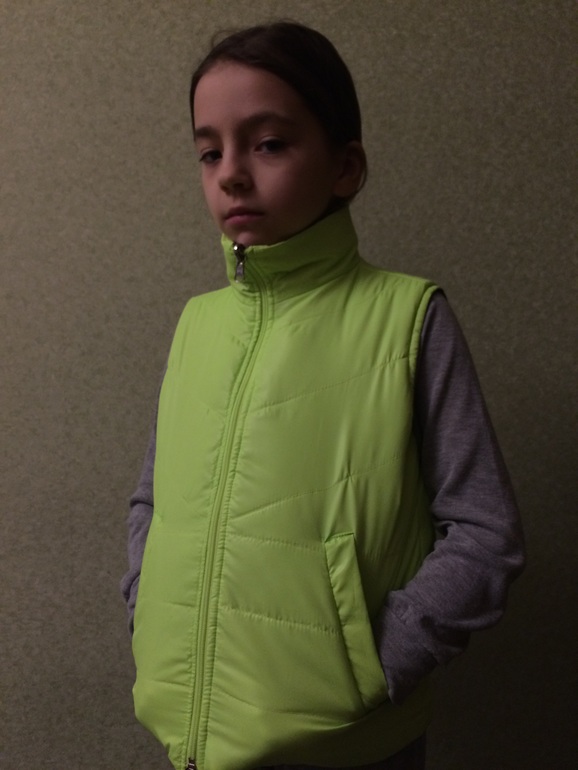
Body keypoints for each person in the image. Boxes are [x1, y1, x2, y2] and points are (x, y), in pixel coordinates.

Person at [121, 21, 525, 770]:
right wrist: (148, 612)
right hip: (192, 736)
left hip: (354, 747)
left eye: (268, 143)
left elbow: (484, 531)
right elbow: (154, 500)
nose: (231, 174)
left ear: (345, 166)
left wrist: (370, 668)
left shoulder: (409, 317)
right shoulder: (196, 324)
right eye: (210, 151)